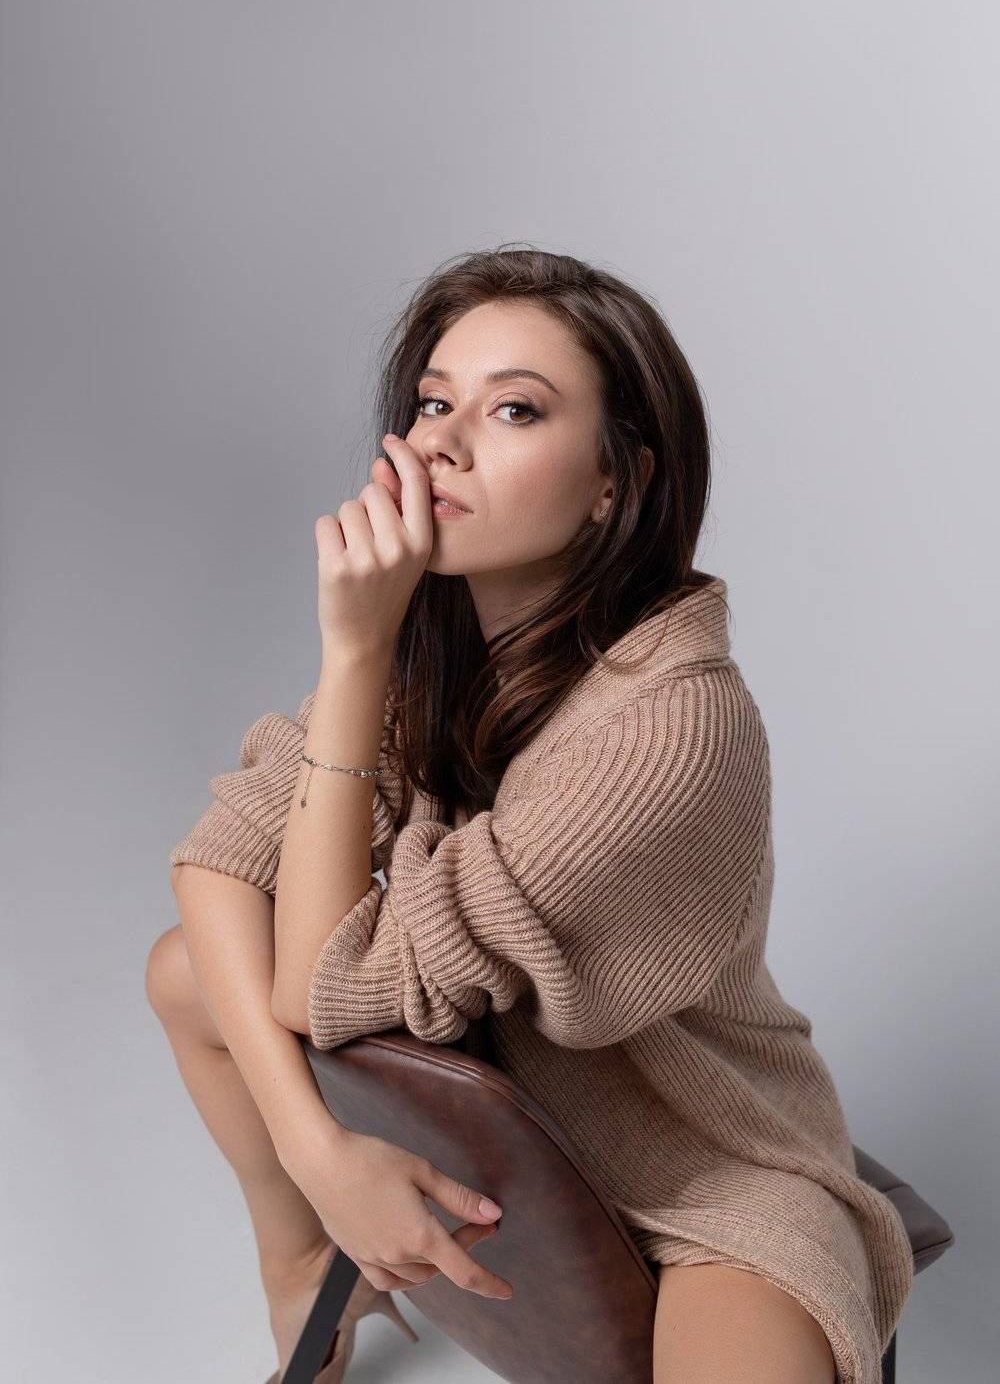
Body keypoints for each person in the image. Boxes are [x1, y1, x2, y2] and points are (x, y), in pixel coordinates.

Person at [147, 245, 913, 1383]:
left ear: (617, 481)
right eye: (432, 403)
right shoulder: (440, 651)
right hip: (504, 1118)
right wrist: (318, 1160)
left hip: (695, 1170)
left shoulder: (667, 725)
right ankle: (301, 1266)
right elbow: (217, 865)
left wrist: (351, 652)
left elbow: (320, 986)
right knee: (187, 966)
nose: (443, 444)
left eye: (514, 410)